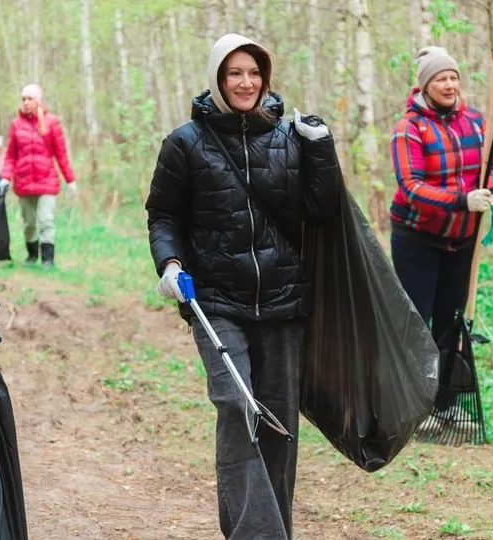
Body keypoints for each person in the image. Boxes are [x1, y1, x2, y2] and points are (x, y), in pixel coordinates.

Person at [146, 34, 343, 540]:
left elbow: (323, 213)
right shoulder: (185, 142)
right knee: (237, 407)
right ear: (217, 78)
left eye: (253, 73)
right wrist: (168, 263)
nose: (245, 82)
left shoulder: (288, 138)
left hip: (283, 302)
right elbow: (163, 214)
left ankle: (273, 529)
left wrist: (320, 150)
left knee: (279, 424)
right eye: (234, 73)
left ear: (265, 78)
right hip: (215, 300)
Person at [389, 46, 493, 344]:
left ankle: (445, 388)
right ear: (425, 86)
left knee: (449, 326)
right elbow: (411, 187)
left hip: (461, 240)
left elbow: (488, 166)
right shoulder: (410, 128)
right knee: (416, 325)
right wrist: (463, 201)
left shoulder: (475, 121)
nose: (449, 85)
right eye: (440, 79)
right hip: (417, 240)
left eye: (453, 78)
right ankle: (412, 389)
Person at [1, 84, 76, 268]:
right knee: (29, 224)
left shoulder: (52, 122)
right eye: (24, 99)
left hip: (46, 181)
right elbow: (11, 156)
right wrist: (5, 177)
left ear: (38, 101)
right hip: (23, 182)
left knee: (46, 220)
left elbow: (61, 154)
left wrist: (70, 180)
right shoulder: (16, 124)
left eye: (30, 99)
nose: (26, 103)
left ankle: (48, 259)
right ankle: (32, 255)